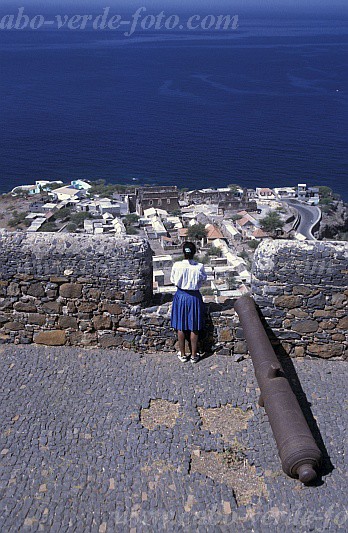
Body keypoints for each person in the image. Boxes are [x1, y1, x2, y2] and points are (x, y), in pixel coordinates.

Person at [170, 241, 207, 363]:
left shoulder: (177, 265)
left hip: (180, 296)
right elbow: (203, 280)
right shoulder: (199, 267)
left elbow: (173, 280)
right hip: (194, 297)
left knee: (181, 326)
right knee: (194, 326)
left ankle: (182, 353)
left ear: (183, 252)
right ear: (194, 252)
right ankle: (194, 355)